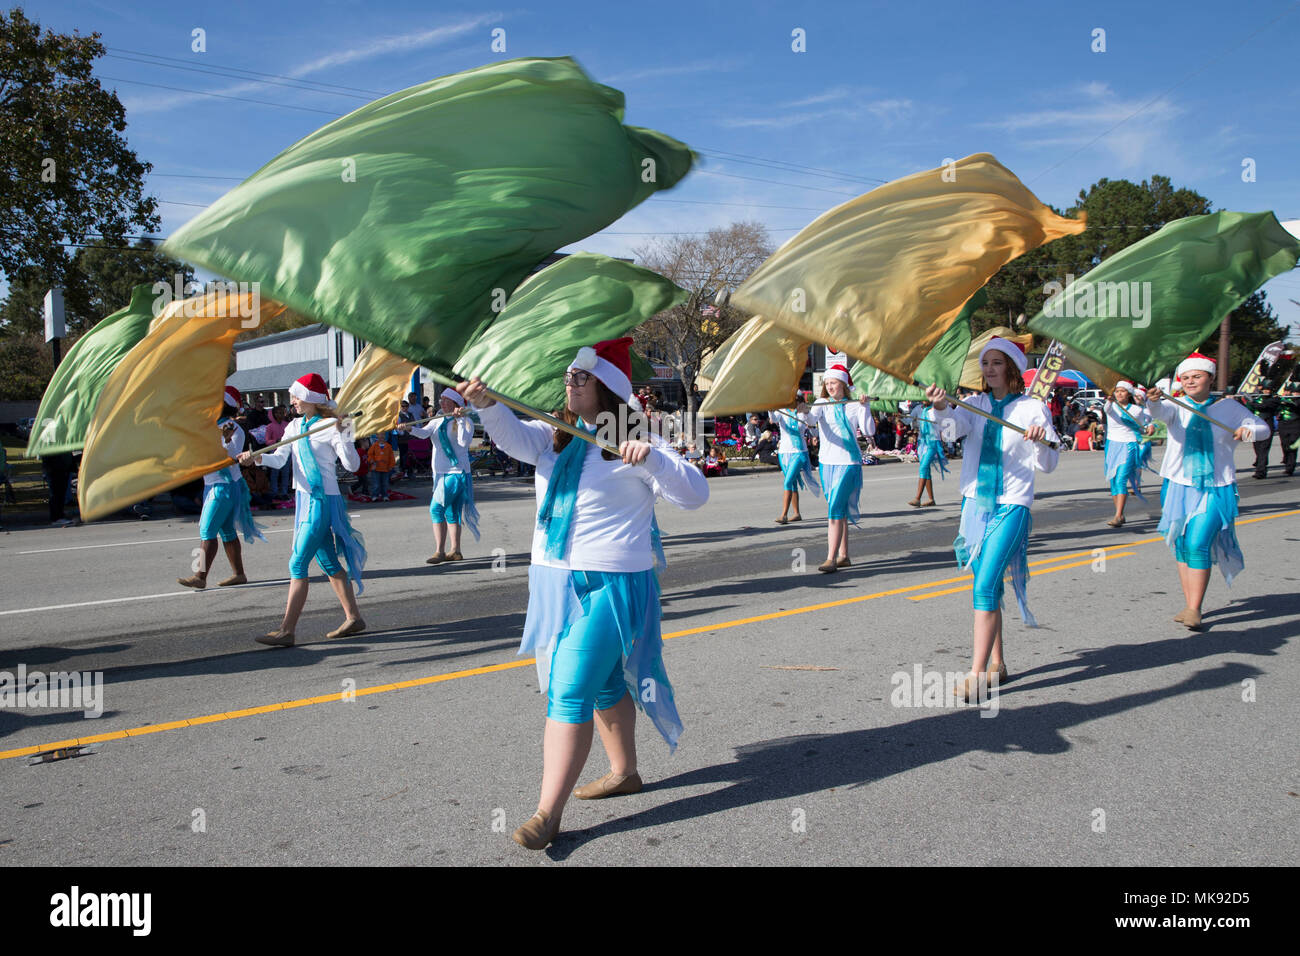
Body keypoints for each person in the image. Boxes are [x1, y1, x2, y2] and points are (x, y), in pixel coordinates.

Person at [462, 337, 709, 851]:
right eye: (570, 377)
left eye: (581, 378)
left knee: (568, 688)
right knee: (599, 685)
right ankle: (625, 772)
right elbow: (513, 437)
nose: (569, 384)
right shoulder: (557, 434)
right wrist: (487, 405)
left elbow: (694, 495)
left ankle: (547, 814)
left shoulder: (634, 435)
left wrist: (655, 462)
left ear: (608, 388)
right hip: (554, 578)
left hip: (612, 581)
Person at [925, 339, 1059, 701]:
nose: (989, 369)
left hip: (1012, 504)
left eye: (996, 362)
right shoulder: (974, 405)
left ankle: (976, 674)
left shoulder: (1032, 408)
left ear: (1012, 368)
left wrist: (1040, 440)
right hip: (975, 505)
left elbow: (1048, 463)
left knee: (984, 585)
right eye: (985, 363)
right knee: (991, 585)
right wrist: (940, 408)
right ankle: (998, 663)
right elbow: (951, 434)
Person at [238, 373, 367, 647]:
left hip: (324, 500)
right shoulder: (295, 427)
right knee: (328, 563)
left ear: (310, 399)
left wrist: (345, 433)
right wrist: (257, 458)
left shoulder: (333, 426)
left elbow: (353, 465)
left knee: (297, 563)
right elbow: (280, 459)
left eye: (296, 396)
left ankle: (287, 630)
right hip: (304, 499)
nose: (292, 401)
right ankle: (354, 617)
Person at [1147, 353, 1270, 629]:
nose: (1190, 381)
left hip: (1216, 487)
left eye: (1197, 376)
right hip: (1179, 485)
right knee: (1180, 543)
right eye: (1186, 377)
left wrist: (1248, 430)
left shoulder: (1229, 408)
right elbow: (1158, 413)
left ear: (1210, 378)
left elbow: (1263, 428)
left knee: (1197, 542)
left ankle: (1195, 608)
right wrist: (1154, 400)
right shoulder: (1175, 405)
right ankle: (1188, 602)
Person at [178, 387, 264, 589]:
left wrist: (214, 443)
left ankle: (199, 575)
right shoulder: (215, 426)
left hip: (223, 486)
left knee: (207, 531)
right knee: (227, 533)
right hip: (215, 485)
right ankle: (239, 574)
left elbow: (230, 458)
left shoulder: (231, 426)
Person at [796, 365, 873, 572]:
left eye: (833, 383)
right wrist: (803, 411)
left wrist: (865, 408)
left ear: (843, 384)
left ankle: (830, 558)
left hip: (849, 462)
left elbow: (868, 430)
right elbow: (811, 421)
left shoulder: (854, 404)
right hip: (826, 462)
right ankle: (844, 555)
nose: (830, 387)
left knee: (834, 510)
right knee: (839, 510)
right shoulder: (821, 403)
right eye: (827, 383)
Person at [403, 388, 478, 563]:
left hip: (455, 473)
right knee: (452, 513)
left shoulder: (466, 420)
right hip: (440, 472)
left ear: (455, 403)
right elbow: (424, 434)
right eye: (441, 400)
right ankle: (456, 550)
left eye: (446, 400)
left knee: (436, 509)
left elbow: (464, 442)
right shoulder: (437, 419)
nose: (442, 403)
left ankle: (439, 551)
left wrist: (459, 421)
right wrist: (409, 429)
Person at [1102, 381, 1154, 527]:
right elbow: (1107, 409)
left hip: (1128, 445)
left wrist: (1150, 426)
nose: (1119, 394)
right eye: (1117, 391)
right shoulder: (1111, 407)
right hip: (1112, 445)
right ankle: (1120, 513)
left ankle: (1118, 515)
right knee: (1112, 480)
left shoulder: (1136, 410)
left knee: (1121, 479)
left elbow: (1147, 420)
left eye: (1122, 391)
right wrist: (1109, 401)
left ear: (1129, 394)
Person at [774, 397, 818, 524]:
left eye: (796, 400)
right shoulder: (781, 411)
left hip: (799, 452)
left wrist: (807, 413)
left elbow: (814, 430)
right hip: (784, 452)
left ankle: (783, 515)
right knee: (792, 482)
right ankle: (796, 513)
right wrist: (770, 409)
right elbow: (773, 419)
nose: (793, 402)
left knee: (787, 482)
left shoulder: (802, 413)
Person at [906, 400, 947, 507]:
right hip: (922, 442)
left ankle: (917, 498)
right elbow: (907, 420)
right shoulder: (918, 409)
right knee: (926, 469)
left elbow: (944, 423)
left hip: (933, 442)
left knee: (923, 467)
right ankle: (931, 499)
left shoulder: (936, 409)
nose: (924, 400)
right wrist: (898, 417)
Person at [1277, 381, 1300, 477]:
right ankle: (1287, 461)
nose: (1295, 394)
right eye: (1293, 392)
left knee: (1292, 445)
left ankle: (1290, 467)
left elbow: (1296, 407)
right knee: (1284, 445)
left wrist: (1288, 402)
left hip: (1295, 426)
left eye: (1297, 392)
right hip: (1283, 425)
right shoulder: (1284, 399)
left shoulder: (1297, 401)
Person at [366, 432, 396, 500]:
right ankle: (375, 495)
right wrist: (371, 461)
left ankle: (385, 495)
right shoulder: (374, 446)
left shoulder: (388, 446)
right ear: (377, 435)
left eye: (383, 434)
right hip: (376, 468)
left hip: (386, 468)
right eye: (380, 434)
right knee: (376, 483)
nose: (382, 436)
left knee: (385, 483)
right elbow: (370, 455)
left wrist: (391, 465)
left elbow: (391, 457)